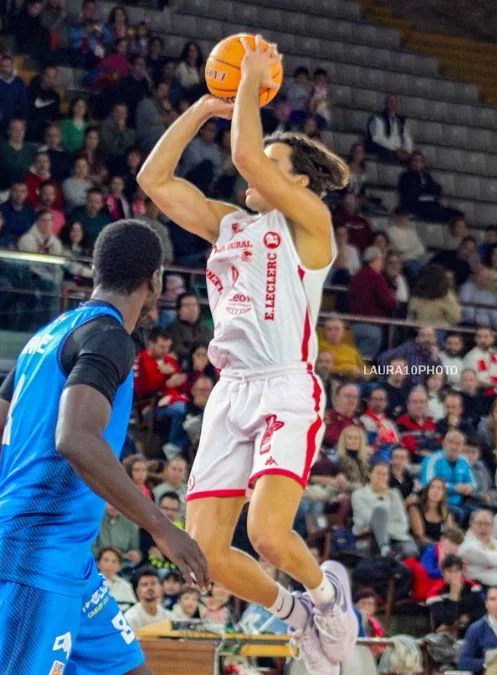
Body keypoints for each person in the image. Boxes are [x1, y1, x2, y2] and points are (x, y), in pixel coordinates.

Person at [138, 36, 356, 669]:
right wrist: (202, 109)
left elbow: (244, 152)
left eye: (270, 159)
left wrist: (254, 80)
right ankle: (297, 618)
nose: (252, 164)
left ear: (298, 179)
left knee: (265, 533)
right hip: (232, 390)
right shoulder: (229, 222)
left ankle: (328, 594)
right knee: (204, 553)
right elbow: (154, 180)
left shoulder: (311, 223)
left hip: (287, 385)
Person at [0, 220, 207, 673]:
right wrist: (161, 526)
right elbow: (75, 437)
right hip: (37, 552)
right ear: (154, 280)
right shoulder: (110, 336)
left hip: (68, 558)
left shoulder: (46, 336)